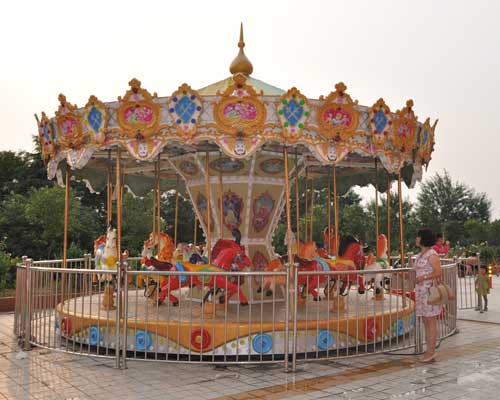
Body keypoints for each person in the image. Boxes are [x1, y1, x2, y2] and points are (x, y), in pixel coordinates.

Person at [414, 228, 443, 363]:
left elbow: (438, 272)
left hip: (429, 292)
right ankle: (428, 349)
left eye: (418, 236)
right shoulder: (421, 254)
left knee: (430, 321)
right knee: (426, 321)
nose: (416, 238)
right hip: (421, 292)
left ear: (423, 238)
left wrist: (423, 277)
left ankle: (431, 351)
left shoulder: (432, 254)